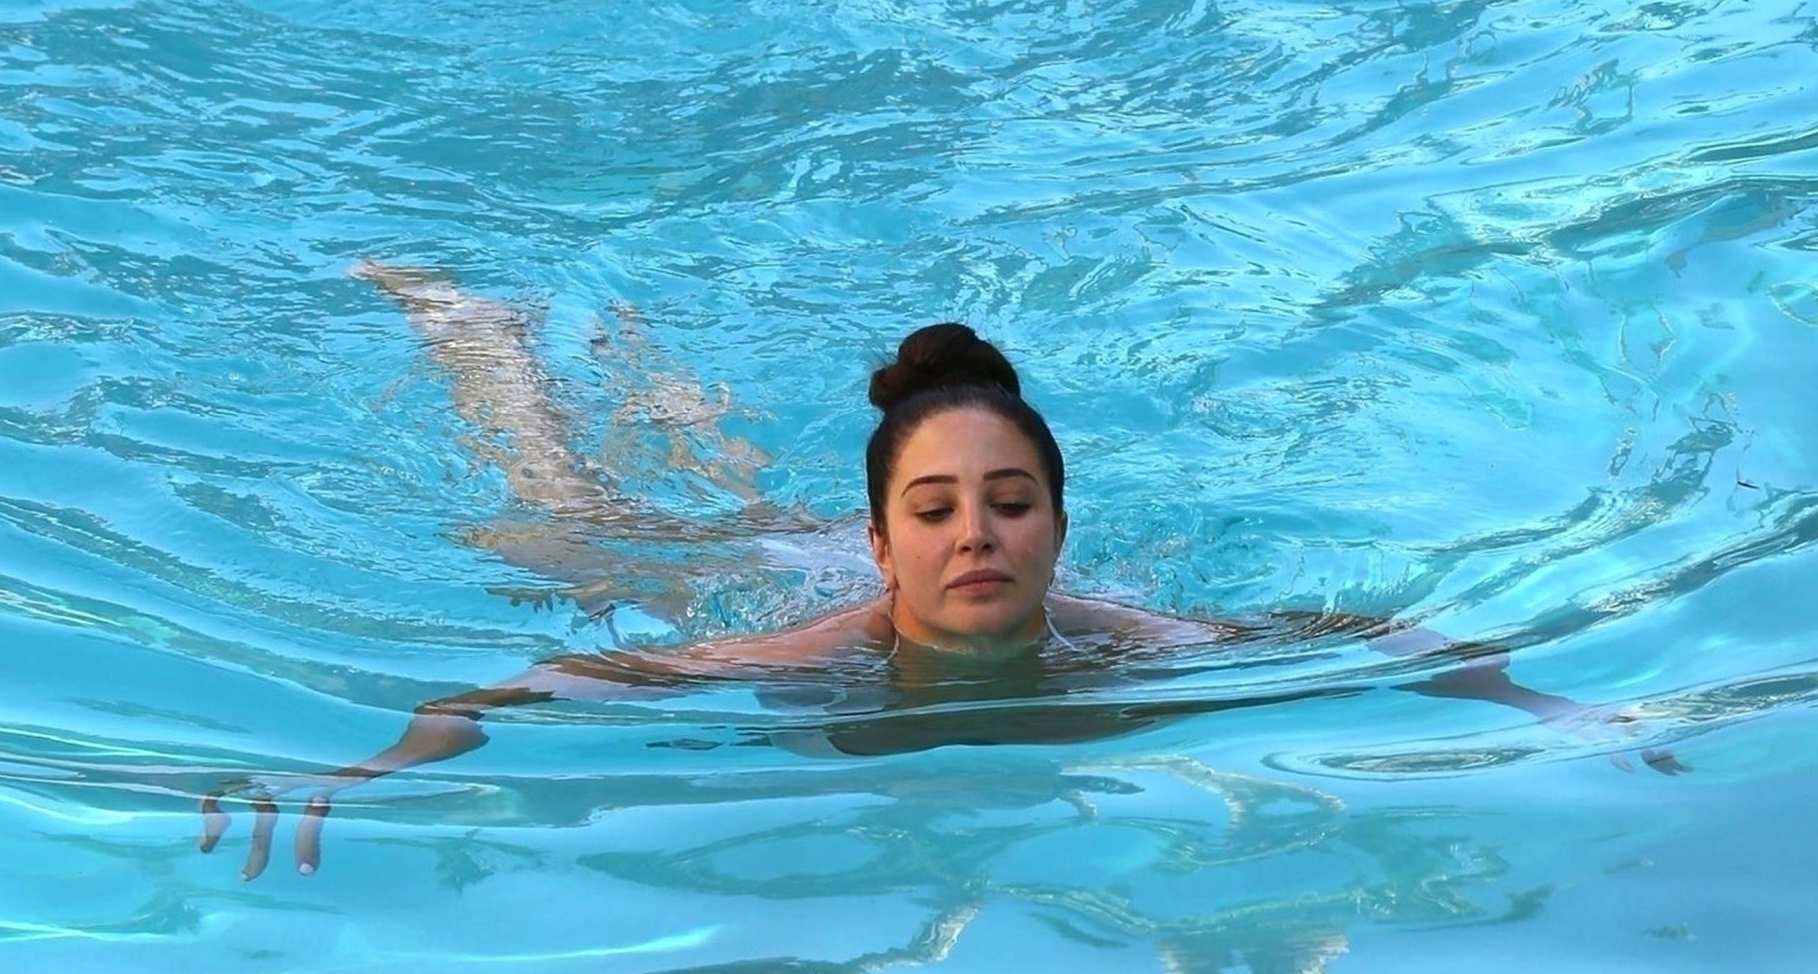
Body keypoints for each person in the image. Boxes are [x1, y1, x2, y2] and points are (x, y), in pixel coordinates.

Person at [201, 272, 1676, 880]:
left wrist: (1559, 712)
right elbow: (544, 683)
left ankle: (665, 391)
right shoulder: (809, 653)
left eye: (1011, 504)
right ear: (886, 543)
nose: (976, 536)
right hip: (758, 584)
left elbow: (1377, 635)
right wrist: (369, 768)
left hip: (817, 552)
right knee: (571, 535)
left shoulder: (1134, 643)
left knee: (719, 497)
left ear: (1058, 530)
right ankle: (489, 343)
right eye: (937, 510)